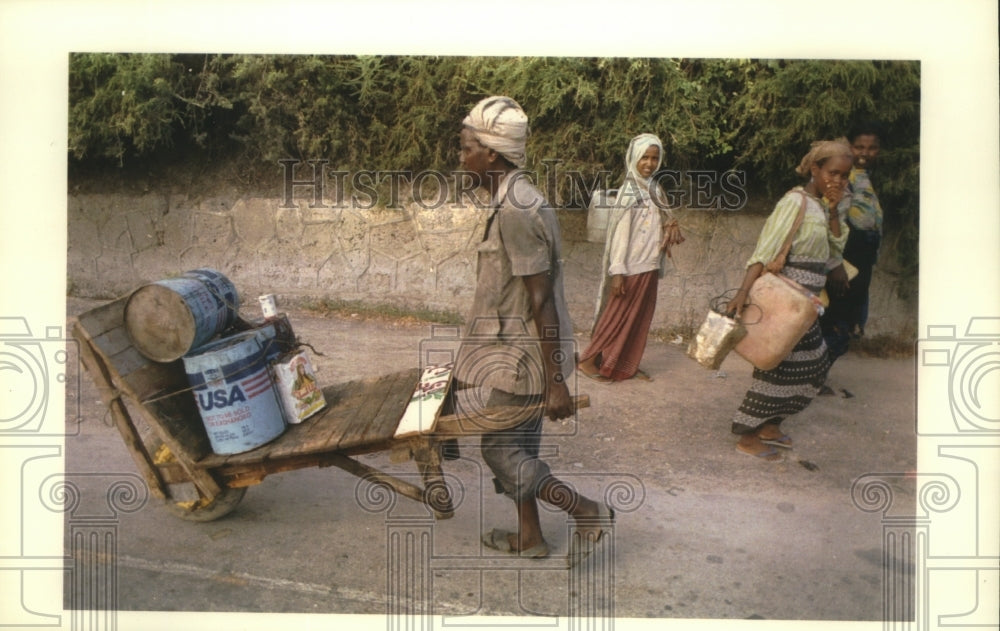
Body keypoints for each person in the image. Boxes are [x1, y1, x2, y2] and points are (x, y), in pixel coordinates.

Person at [452, 96, 613, 565]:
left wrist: (556, 381)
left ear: (492, 155)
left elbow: (540, 301)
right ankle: (529, 537)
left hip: (525, 360)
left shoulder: (516, 210)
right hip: (519, 355)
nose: (461, 159)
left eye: (466, 149)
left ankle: (585, 511)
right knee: (519, 449)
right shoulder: (513, 199)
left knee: (500, 449)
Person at [725, 140, 852, 461]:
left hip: (805, 308)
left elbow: (834, 252)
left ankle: (769, 425)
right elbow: (764, 250)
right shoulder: (793, 203)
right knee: (779, 369)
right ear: (815, 169)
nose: (837, 181)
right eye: (832, 173)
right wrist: (742, 292)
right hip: (786, 303)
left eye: (844, 176)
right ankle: (748, 435)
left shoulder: (822, 206)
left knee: (812, 366)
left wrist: (835, 209)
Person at [577, 133, 685, 382]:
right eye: (644, 157)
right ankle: (587, 360)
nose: (649, 163)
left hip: (649, 264)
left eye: (654, 158)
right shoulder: (629, 192)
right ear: (633, 158)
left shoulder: (655, 189)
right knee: (616, 316)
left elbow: (660, 222)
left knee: (638, 319)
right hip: (629, 268)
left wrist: (669, 226)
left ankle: (622, 366)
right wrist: (618, 273)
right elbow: (620, 237)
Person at [818, 124, 884, 392]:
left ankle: (814, 376)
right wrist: (835, 265)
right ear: (849, 148)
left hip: (860, 265)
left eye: (871, 148)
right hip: (847, 264)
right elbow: (833, 221)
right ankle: (811, 377)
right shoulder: (847, 178)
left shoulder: (863, 178)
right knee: (838, 325)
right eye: (859, 147)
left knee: (844, 323)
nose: (865, 153)